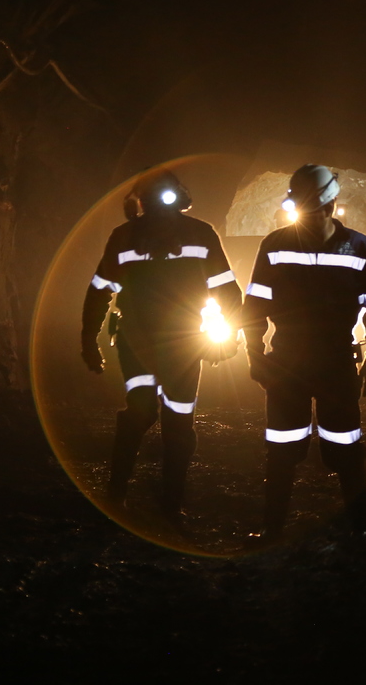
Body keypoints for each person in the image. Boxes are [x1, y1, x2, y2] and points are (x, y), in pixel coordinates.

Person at [80, 171, 242, 521]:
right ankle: (141, 500)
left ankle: (148, 501)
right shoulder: (187, 233)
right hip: (164, 343)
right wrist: (232, 335)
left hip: (163, 342)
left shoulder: (136, 236)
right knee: (164, 418)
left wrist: (88, 339)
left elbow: (225, 289)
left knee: (165, 418)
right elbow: (101, 289)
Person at [241, 164, 366, 542]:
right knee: (287, 448)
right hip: (303, 360)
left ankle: (354, 530)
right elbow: (255, 304)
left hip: (319, 360)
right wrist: (254, 353)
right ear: (333, 199)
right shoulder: (284, 245)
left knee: (339, 448)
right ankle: (296, 529)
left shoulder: (355, 246)